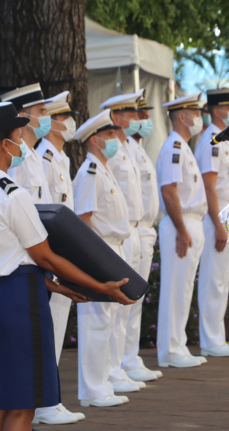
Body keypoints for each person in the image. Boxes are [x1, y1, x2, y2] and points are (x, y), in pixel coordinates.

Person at [0, 102, 133, 431]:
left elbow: (14, 257)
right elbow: (44, 256)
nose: (23, 143)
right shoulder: (11, 192)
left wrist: (59, 288)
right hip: (19, 303)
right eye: (18, 137)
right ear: (5, 145)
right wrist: (96, 284)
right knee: (20, 408)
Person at [72, 108, 138, 405]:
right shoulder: (89, 173)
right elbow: (83, 222)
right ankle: (92, 389)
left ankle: (105, 379)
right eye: (110, 135)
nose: (116, 139)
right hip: (100, 249)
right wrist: (92, 262)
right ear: (95, 140)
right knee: (96, 322)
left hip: (114, 247)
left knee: (109, 320)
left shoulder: (103, 169)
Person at [32, 91, 86, 425]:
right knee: (49, 326)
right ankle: (43, 403)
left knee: (58, 324)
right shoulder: (43, 158)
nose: (70, 123)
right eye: (64, 116)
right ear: (51, 121)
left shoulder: (59, 158)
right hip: (51, 253)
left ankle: (49, 399)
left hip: (63, 249)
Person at [99, 92, 149, 393]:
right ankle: (111, 368)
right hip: (119, 232)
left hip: (133, 230)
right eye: (131, 114)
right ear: (116, 117)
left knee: (130, 306)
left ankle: (124, 361)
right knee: (115, 309)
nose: (138, 120)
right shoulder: (112, 153)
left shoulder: (129, 148)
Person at [155, 93, 209, 368]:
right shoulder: (174, 148)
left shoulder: (183, 147)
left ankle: (178, 346)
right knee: (176, 288)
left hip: (189, 222)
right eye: (195, 112)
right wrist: (180, 229)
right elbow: (169, 190)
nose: (200, 117)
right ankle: (171, 350)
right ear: (183, 117)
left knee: (184, 288)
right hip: (182, 222)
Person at [193, 88, 229, 357]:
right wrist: (218, 223)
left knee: (221, 279)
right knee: (214, 279)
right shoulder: (212, 140)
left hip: (228, 213)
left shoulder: (224, 139)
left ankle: (216, 337)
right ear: (217, 110)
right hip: (219, 214)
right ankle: (211, 340)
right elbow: (209, 186)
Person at [120, 92, 164, 383]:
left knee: (136, 300)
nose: (144, 120)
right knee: (125, 302)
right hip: (130, 229)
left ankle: (130, 357)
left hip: (144, 228)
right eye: (138, 115)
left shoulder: (137, 148)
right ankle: (122, 362)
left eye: (144, 115)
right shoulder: (123, 151)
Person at [0, 83, 53, 203]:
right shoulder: (17, 158)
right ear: (24, 117)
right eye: (41, 111)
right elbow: (13, 203)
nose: (47, 116)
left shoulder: (33, 154)